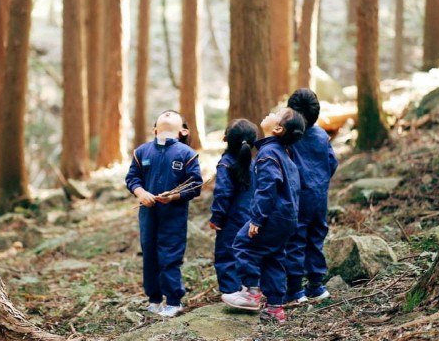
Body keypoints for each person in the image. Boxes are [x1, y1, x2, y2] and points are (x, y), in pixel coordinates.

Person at [221, 107, 305, 324]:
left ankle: (251, 292)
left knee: (242, 244)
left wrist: (258, 218)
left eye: (277, 113)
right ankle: (276, 308)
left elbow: (267, 189)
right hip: (287, 218)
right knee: (273, 257)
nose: (271, 112)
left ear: (278, 129)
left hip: (271, 216)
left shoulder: (268, 154)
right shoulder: (284, 154)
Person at [125, 110, 203, 318]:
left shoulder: (187, 154)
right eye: (164, 114)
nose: (168, 114)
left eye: (173, 115)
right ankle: (154, 299)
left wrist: (174, 196)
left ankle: (174, 301)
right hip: (148, 215)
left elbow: (196, 185)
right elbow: (132, 178)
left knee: (170, 256)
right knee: (149, 255)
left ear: (183, 131)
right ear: (155, 129)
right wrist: (141, 193)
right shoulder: (142, 152)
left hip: (173, 216)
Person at [284, 88, 339, 304]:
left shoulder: (290, 138)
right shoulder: (322, 136)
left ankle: (295, 290)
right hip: (319, 197)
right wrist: (321, 179)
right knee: (316, 238)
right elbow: (332, 162)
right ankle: (316, 285)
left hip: (298, 197)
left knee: (296, 240)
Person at [209, 119, 258, 295]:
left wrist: (216, 218)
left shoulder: (226, 163)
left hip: (231, 220)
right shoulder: (255, 164)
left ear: (225, 139)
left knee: (226, 255)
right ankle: (251, 289)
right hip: (252, 219)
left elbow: (223, 193)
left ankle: (231, 293)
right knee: (248, 253)